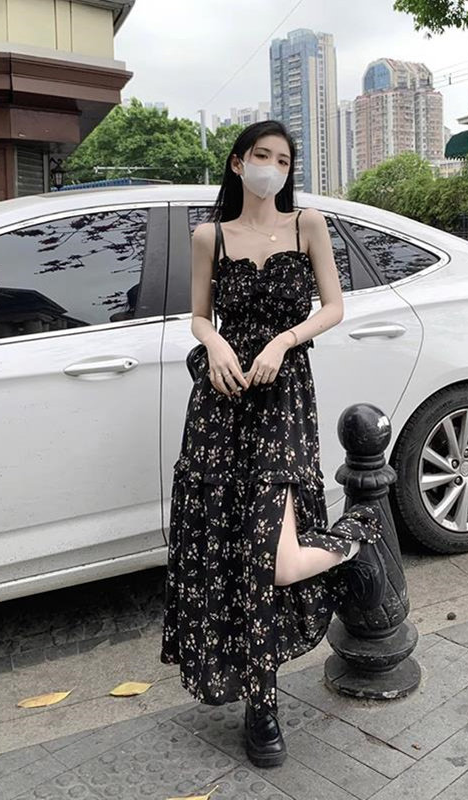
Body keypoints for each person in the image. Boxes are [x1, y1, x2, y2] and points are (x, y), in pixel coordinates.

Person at [159, 120, 387, 768]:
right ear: (238, 163)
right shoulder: (209, 236)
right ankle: (261, 707)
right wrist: (215, 342)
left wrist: (284, 341)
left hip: (282, 398)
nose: (273, 168)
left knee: (277, 560)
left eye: (284, 160)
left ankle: (357, 536)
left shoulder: (306, 225)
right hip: (221, 403)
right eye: (262, 156)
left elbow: (333, 307)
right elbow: (199, 316)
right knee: (230, 552)